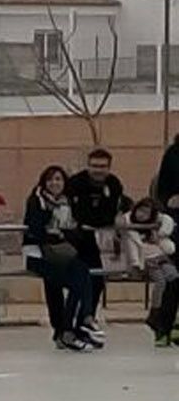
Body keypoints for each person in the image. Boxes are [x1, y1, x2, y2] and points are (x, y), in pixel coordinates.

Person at [22, 166, 92, 353]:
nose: (55, 183)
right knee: (66, 285)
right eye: (51, 180)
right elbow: (35, 230)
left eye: (59, 179)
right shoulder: (36, 201)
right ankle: (68, 329)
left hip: (62, 254)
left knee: (82, 274)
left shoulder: (68, 203)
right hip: (39, 255)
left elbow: (76, 232)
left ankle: (69, 328)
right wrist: (59, 234)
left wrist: (62, 234)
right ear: (44, 183)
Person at [66, 147, 125, 348]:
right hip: (77, 239)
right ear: (88, 165)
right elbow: (78, 213)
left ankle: (86, 321)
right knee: (81, 282)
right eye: (94, 166)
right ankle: (69, 328)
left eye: (102, 166)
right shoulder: (75, 183)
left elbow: (111, 211)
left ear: (109, 167)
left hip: (99, 237)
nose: (98, 170)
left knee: (97, 281)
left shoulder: (114, 184)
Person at [120, 196, 177, 346]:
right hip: (146, 261)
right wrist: (135, 265)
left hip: (161, 257)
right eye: (140, 210)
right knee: (161, 282)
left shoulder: (156, 228)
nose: (142, 215)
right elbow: (132, 249)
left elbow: (167, 220)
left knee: (174, 278)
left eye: (146, 212)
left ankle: (172, 317)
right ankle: (155, 312)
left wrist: (159, 231)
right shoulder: (130, 227)